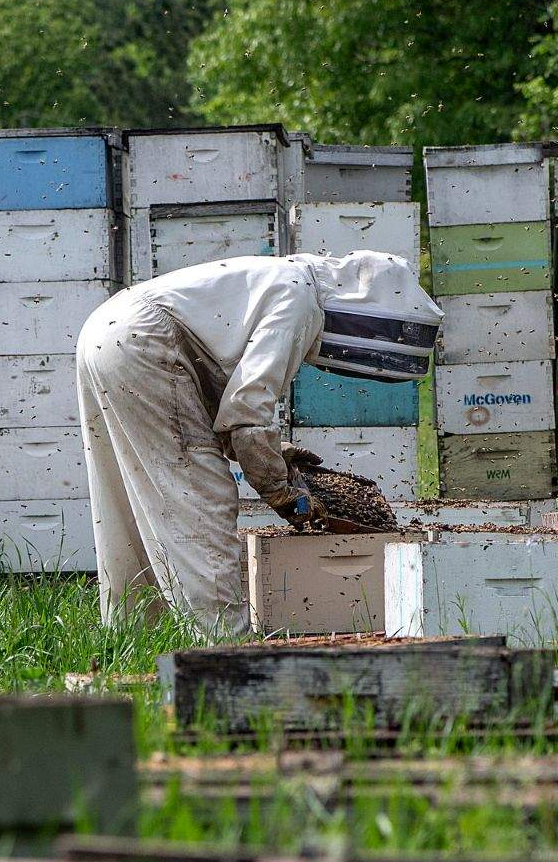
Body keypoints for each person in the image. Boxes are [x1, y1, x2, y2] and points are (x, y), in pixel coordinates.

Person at [74, 249, 441, 634]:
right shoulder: (300, 298)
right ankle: (223, 646)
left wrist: (272, 453)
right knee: (202, 496)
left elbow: (223, 397)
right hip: (144, 342)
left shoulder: (286, 280)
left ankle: (138, 635)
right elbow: (247, 412)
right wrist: (280, 489)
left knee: (127, 501)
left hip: (109, 331)